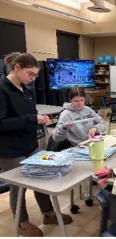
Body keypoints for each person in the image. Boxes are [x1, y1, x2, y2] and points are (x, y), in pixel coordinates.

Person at [0, 52, 73, 237]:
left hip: (30, 143)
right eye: (30, 74)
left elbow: (29, 117)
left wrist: (39, 121)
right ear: (17, 68)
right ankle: (22, 223)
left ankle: (48, 213)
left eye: (35, 76)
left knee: (42, 177)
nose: (32, 79)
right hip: (10, 149)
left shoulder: (28, 89)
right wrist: (32, 118)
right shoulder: (2, 89)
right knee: (19, 187)